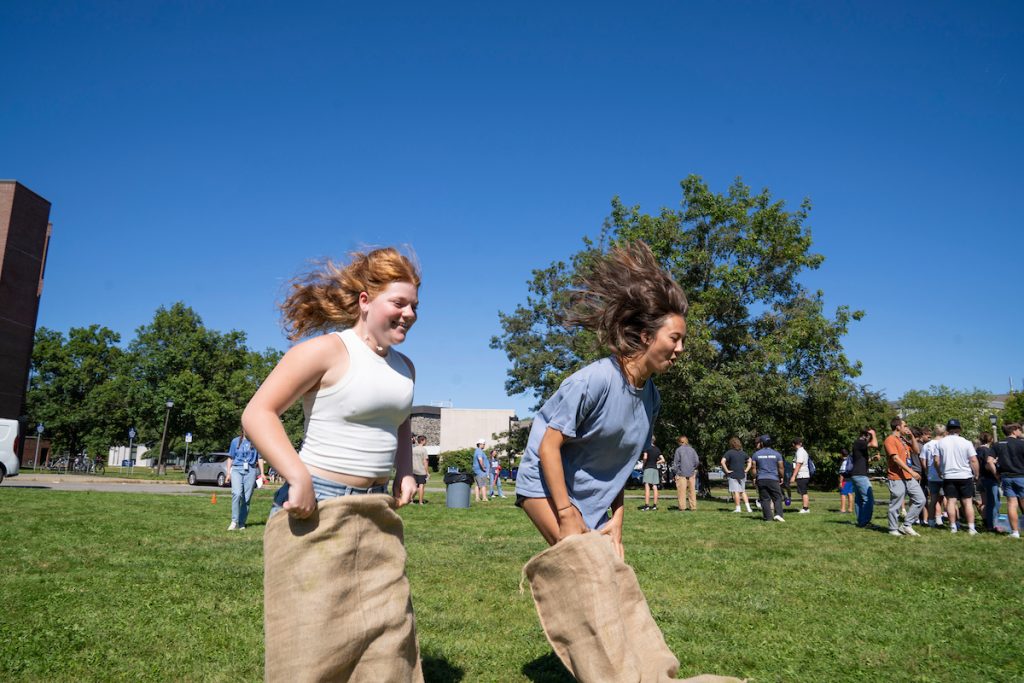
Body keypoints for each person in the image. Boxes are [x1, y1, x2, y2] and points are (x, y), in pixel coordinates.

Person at [515, 242, 721, 681]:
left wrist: (618, 522)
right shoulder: (595, 380)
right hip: (545, 486)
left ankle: (634, 667)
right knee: (588, 580)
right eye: (675, 338)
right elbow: (548, 448)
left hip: (593, 496)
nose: (681, 348)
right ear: (647, 337)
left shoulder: (652, 398)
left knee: (611, 578)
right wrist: (567, 515)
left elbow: (619, 468)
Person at [241, 246, 422, 680]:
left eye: (415, 306)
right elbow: (257, 414)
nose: (409, 314)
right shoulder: (324, 351)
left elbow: (399, 422)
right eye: (399, 303)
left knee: (389, 643)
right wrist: (296, 475)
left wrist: (406, 469)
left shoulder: (406, 368)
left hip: (378, 513)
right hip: (316, 508)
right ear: (365, 301)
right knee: (311, 653)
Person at [883, 417, 924, 537]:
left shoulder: (904, 440)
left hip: (907, 476)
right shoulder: (890, 440)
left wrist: (911, 436)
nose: (907, 428)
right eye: (905, 426)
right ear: (898, 427)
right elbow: (895, 458)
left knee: (920, 499)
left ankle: (906, 525)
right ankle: (892, 529)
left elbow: (916, 451)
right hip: (896, 476)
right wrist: (912, 472)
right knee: (896, 504)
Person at [936, 418, 979, 535]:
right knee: (967, 502)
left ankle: (953, 526)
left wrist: (940, 471)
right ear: (959, 429)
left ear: (947, 429)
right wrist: (977, 474)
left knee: (951, 501)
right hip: (964, 475)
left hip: (948, 475)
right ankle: (971, 528)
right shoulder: (966, 442)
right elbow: (973, 460)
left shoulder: (941, 443)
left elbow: (937, 460)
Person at [225, 427, 264, 530]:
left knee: (246, 498)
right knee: (236, 494)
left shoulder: (256, 441)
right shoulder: (235, 441)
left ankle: (242, 523)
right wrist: (228, 473)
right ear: (242, 429)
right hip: (237, 469)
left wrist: (263, 473)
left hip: (251, 470)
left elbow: (259, 458)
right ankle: (234, 522)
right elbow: (230, 457)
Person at [996, 423, 1024, 538]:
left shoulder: (998, 444)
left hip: (1006, 477)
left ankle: (1015, 532)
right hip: (1021, 476)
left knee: (1011, 504)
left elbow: (990, 461)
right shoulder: (1022, 444)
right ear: (1014, 430)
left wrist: (996, 474)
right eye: (1020, 430)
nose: (1021, 432)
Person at [750, 435, 785, 522]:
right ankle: (778, 514)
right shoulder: (777, 454)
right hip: (773, 478)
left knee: (765, 499)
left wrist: (754, 478)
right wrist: (781, 477)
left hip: (761, 478)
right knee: (777, 497)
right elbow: (781, 467)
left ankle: (768, 517)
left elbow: (753, 468)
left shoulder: (756, 454)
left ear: (761, 443)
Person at [851, 427, 880, 528]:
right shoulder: (860, 442)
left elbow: (861, 461)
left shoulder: (858, 444)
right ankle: (865, 522)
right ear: (865, 435)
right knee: (868, 498)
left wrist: (872, 459)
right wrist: (873, 433)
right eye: (869, 437)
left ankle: (861, 521)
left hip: (856, 474)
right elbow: (875, 445)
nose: (870, 439)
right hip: (860, 475)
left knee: (859, 499)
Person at [921, 424, 946, 527]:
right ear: (944, 432)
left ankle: (931, 520)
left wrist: (927, 471)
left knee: (933, 499)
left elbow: (923, 460)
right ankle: (951, 521)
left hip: (932, 475)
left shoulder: (927, 445)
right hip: (945, 474)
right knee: (947, 499)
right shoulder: (945, 443)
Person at [721, 437, 752, 513]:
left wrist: (727, 470)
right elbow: (750, 461)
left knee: (736, 491)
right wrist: (746, 470)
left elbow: (722, 461)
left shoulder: (729, 452)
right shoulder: (743, 453)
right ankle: (749, 508)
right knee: (743, 491)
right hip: (742, 474)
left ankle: (738, 508)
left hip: (733, 474)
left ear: (731, 444)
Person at [976, 432, 999, 531]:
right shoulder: (988, 451)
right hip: (989, 478)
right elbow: (987, 465)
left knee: (985, 502)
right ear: (990, 440)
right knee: (993, 502)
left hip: (980, 478)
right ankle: (992, 524)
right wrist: (995, 461)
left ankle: (986, 522)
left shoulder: (977, 450)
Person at [672, 435, 700, 511]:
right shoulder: (692, 450)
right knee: (692, 491)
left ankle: (682, 507)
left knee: (681, 492)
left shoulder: (678, 450)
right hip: (691, 473)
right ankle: (693, 507)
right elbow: (697, 461)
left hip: (681, 474)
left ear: (681, 442)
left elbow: (675, 463)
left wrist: (676, 472)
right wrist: (693, 469)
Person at [641, 436, 663, 511]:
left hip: (648, 468)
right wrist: (657, 462)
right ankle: (654, 506)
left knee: (647, 486)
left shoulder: (647, 448)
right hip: (655, 469)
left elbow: (645, 457)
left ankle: (647, 505)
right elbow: (663, 459)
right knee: (655, 486)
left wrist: (643, 465)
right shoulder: (657, 449)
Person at [790, 437, 812, 513]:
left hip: (802, 474)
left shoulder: (800, 452)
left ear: (793, 444)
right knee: (803, 492)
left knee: (803, 492)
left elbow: (798, 464)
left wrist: (793, 476)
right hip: (804, 474)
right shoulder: (803, 451)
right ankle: (805, 507)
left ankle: (805, 508)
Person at [412, 434, 429, 505]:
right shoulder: (424, 450)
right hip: (421, 471)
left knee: (414, 486)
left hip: (413, 470)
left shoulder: (413, 449)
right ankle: (420, 502)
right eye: (425, 441)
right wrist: (427, 472)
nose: (426, 442)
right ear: (422, 441)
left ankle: (410, 500)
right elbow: (425, 462)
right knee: (421, 486)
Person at [472, 438, 490, 502]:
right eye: (483, 444)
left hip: (476, 471)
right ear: (480, 444)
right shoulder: (479, 451)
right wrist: (483, 467)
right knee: (483, 485)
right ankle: (484, 498)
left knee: (477, 485)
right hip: (481, 472)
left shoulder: (476, 451)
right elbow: (480, 459)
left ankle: (477, 498)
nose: (484, 445)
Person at [838, 448, 854, 513]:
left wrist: (840, 482)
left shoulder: (844, 462)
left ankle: (843, 509)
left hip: (845, 480)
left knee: (843, 494)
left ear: (842, 454)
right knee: (850, 493)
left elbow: (842, 473)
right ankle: (850, 509)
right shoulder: (851, 460)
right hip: (851, 479)